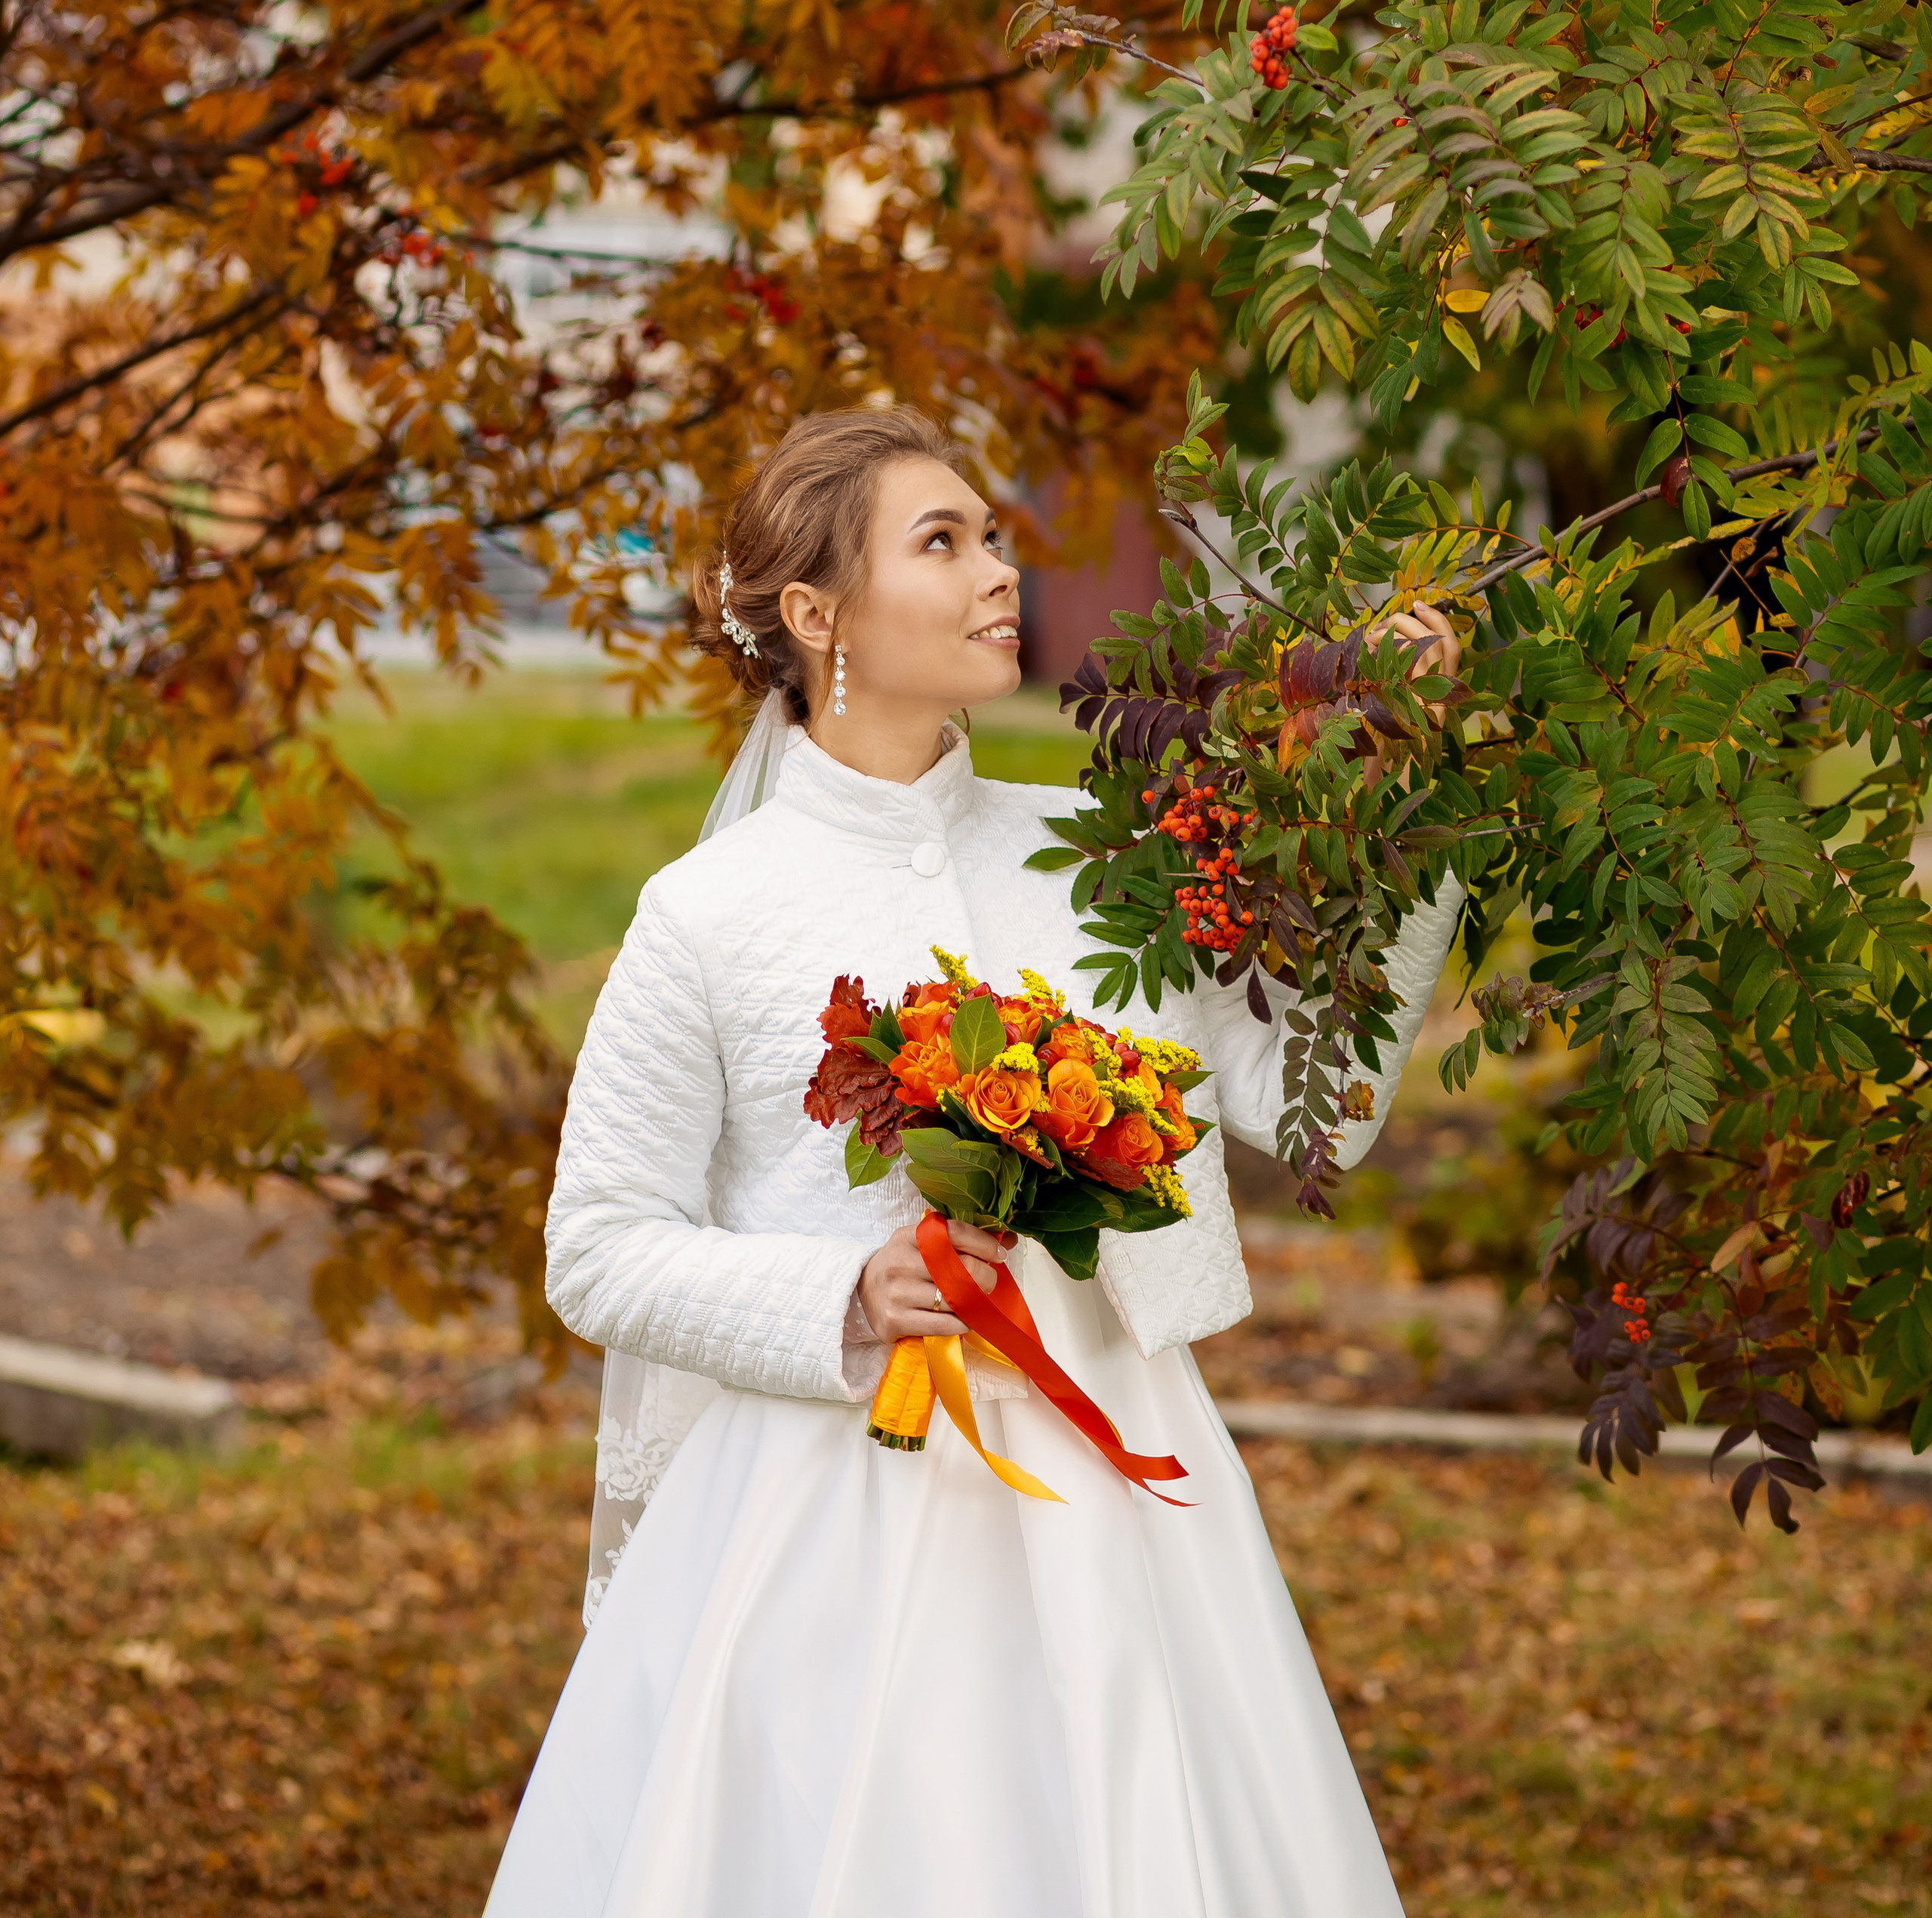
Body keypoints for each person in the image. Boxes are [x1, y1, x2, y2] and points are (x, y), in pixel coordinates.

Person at [485, 406, 1463, 1918]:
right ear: (820, 617)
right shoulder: (708, 915)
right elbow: (597, 1246)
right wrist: (844, 1294)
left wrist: (1395, 785)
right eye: (941, 543)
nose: (1000, 570)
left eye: (991, 534)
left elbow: (1309, 1110)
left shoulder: (1101, 856)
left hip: (1119, 1494)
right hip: (828, 1518)